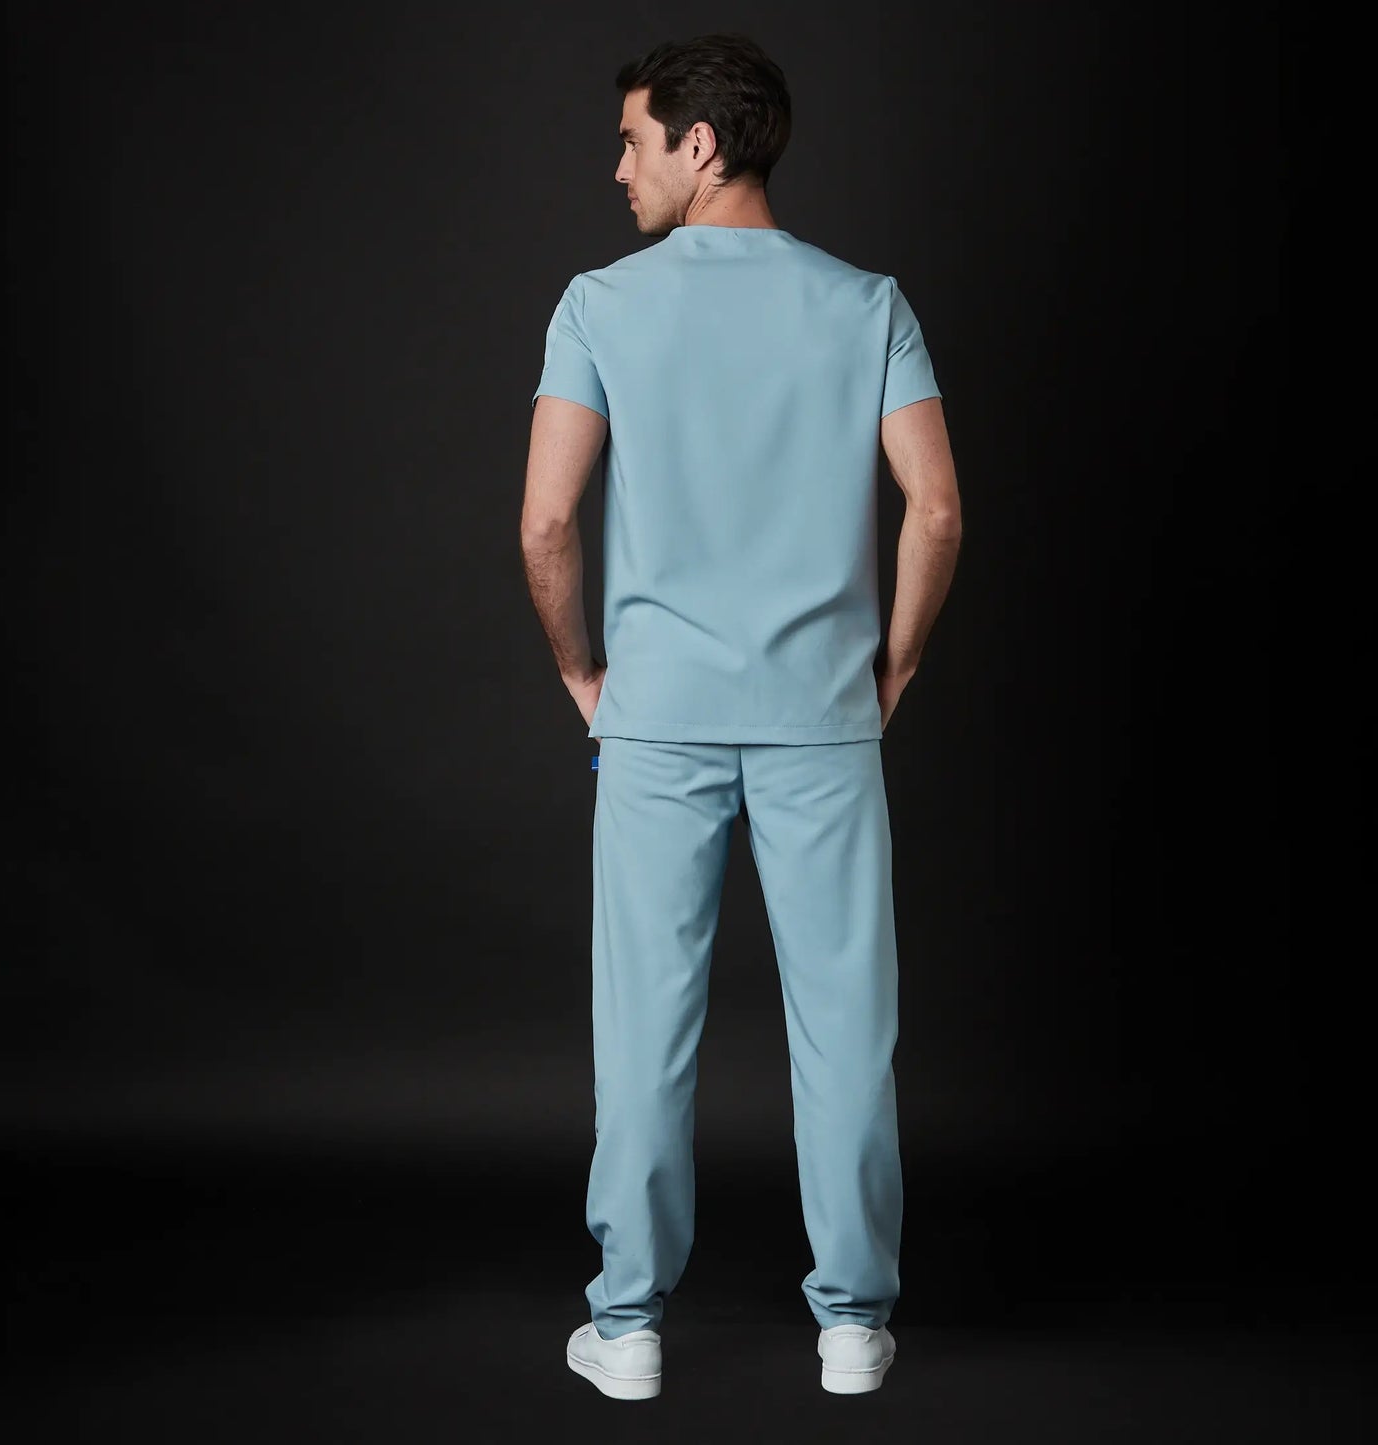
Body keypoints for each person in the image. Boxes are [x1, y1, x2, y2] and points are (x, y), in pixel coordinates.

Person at [520, 31, 962, 1400]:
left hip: (657, 718)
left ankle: (629, 1325)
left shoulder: (599, 306)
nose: (618, 167)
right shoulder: (868, 305)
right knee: (845, 1031)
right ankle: (852, 1326)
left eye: (632, 139)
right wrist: (890, 670)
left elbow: (545, 524)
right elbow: (938, 510)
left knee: (643, 1033)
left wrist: (580, 672)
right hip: (822, 716)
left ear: (699, 144)